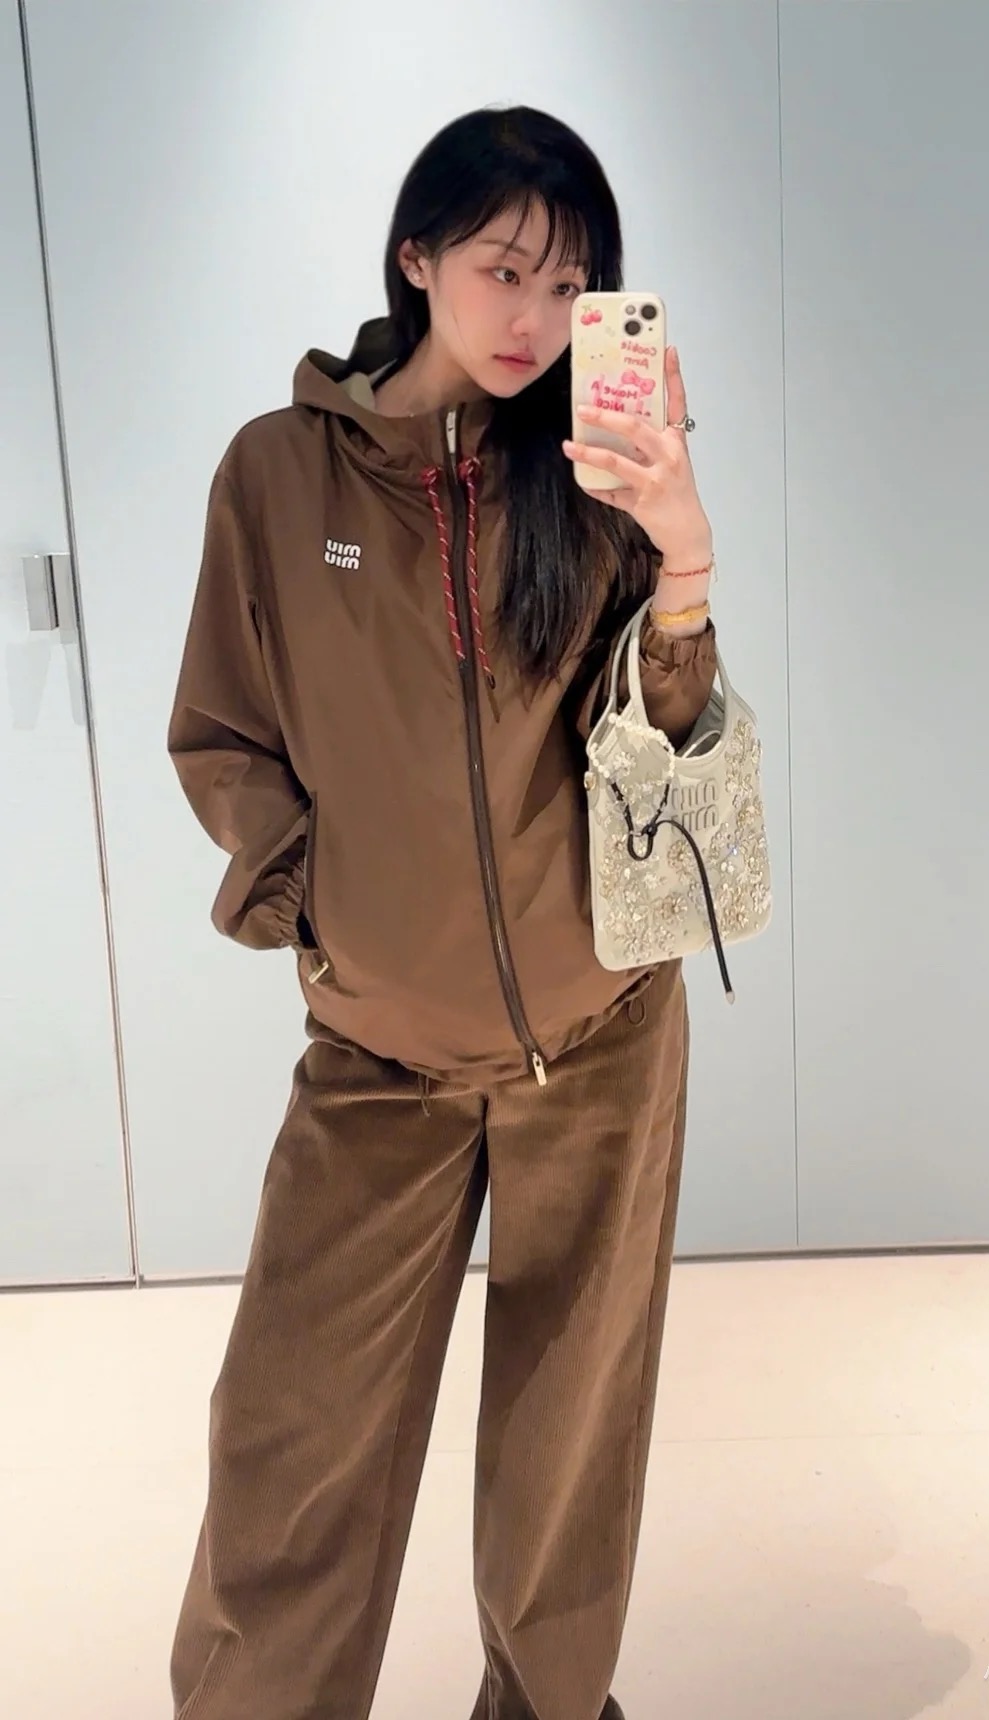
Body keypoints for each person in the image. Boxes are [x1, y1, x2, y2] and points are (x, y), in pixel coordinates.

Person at [165, 106, 719, 1720]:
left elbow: (667, 764)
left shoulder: (590, 475)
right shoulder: (278, 475)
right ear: (415, 260)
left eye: (569, 282)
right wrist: (318, 915)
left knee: (565, 1457)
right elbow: (222, 730)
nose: (532, 316)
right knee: (288, 1439)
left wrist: (682, 560)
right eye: (501, 269)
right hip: (377, 1058)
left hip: (598, 1043)